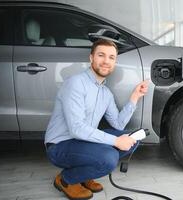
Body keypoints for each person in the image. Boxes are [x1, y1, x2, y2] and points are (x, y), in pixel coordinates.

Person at [44, 39, 149, 200]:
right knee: (109, 159)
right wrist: (115, 141)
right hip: (60, 145)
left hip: (83, 142)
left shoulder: (105, 93)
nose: (106, 61)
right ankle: (66, 180)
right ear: (91, 58)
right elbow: (77, 129)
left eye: (111, 57)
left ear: (115, 62)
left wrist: (135, 97)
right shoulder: (76, 83)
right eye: (101, 55)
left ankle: (83, 174)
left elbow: (118, 124)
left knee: (133, 138)